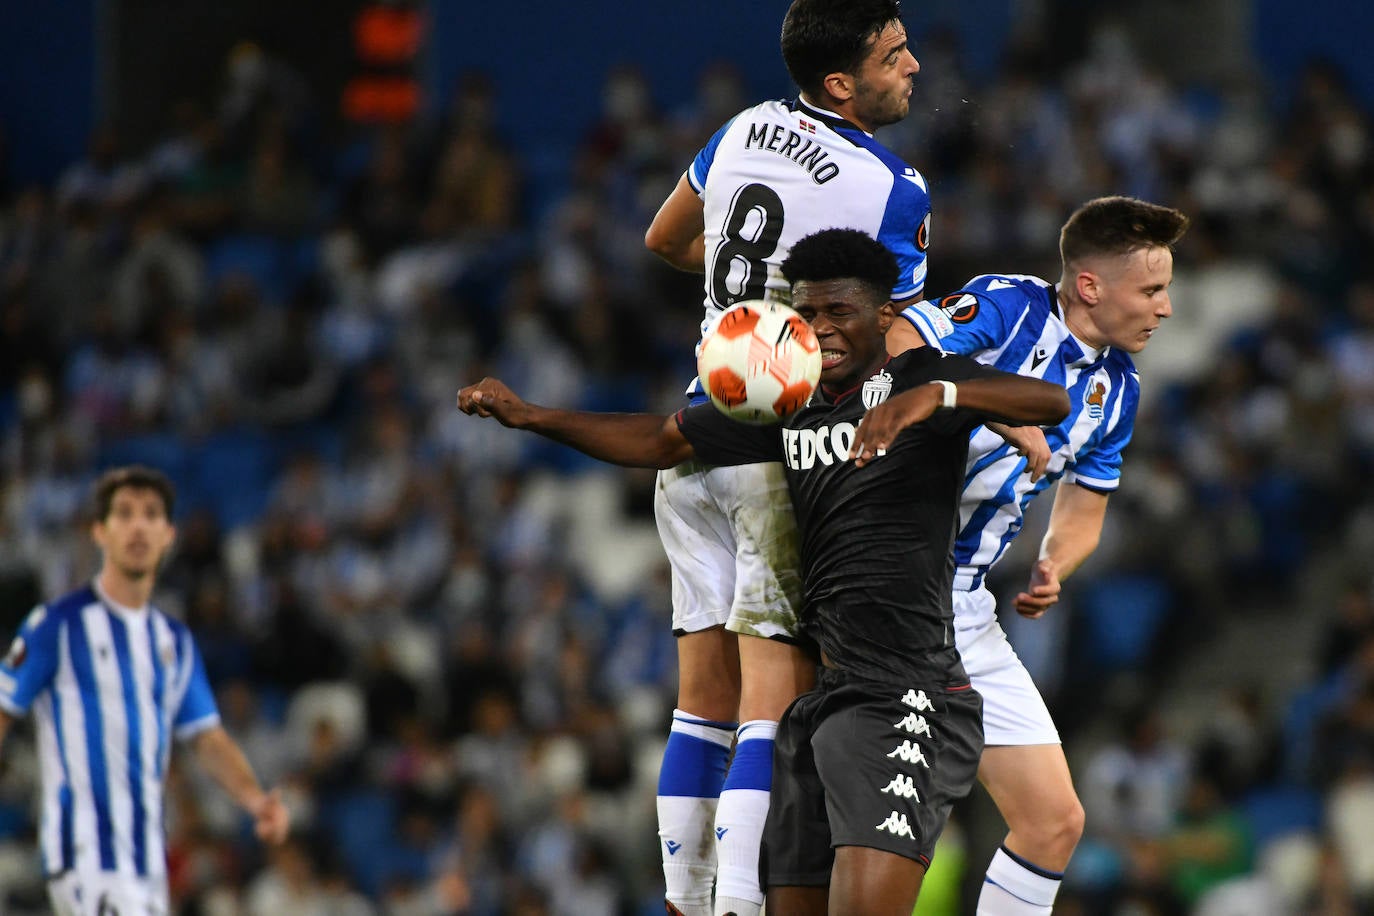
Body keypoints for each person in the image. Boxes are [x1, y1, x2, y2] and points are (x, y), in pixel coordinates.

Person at [457, 228, 1070, 913]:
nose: (821, 328)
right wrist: (529, 415)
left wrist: (936, 399)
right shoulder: (788, 403)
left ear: (884, 316)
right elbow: (660, 439)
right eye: (807, 314)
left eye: (839, 311)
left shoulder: (924, 377)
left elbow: (1051, 403)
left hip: (907, 696)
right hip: (822, 702)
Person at [642, 2, 929, 911]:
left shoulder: (738, 131)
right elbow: (897, 335)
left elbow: (664, 240)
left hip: (696, 433)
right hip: (779, 454)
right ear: (842, 82)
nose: (914, 65)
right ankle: (737, 902)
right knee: (772, 699)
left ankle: (686, 900)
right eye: (894, 54)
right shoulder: (891, 187)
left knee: (700, 702)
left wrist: (745, 298)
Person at [887, 195, 1190, 914]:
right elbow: (899, 342)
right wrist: (997, 406)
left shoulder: (1117, 388)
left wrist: (1055, 563)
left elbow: (1085, 509)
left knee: (1055, 822)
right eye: (1151, 289)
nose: (1166, 307)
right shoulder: (1010, 305)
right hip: (882, 579)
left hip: (963, 603)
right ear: (1090, 285)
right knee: (878, 820)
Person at [0, 465, 291, 916]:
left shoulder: (173, 640)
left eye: (151, 514)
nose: (138, 526)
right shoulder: (57, 625)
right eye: (124, 514)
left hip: (148, 862)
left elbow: (207, 737)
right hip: (85, 853)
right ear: (100, 532)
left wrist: (255, 799)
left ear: (169, 535)